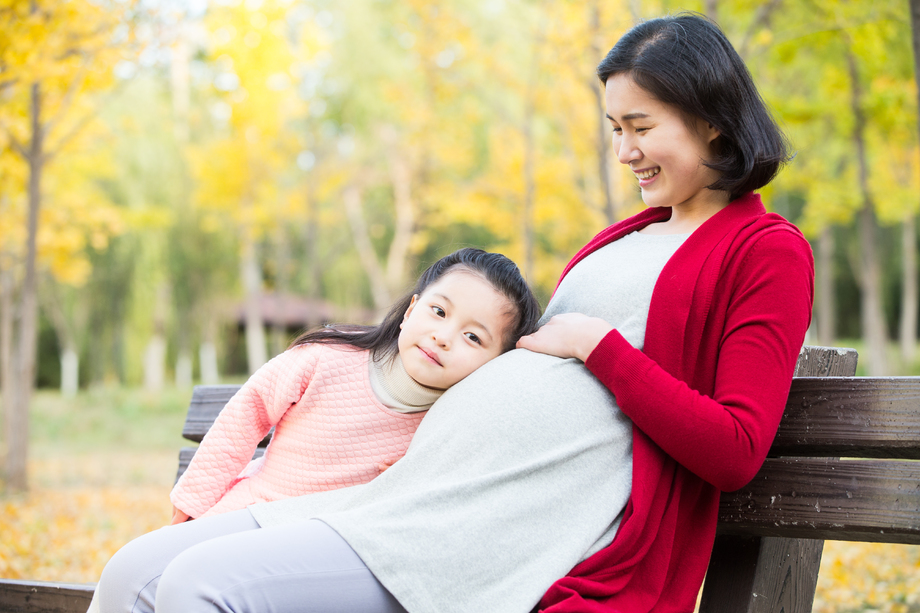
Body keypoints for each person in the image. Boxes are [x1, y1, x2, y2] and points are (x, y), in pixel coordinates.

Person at [91, 13, 813, 613]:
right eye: (613, 127)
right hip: (412, 490)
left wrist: (601, 348)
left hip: (485, 532)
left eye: (639, 126)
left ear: (711, 122)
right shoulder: (627, 236)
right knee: (134, 573)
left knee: (200, 585)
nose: (623, 151)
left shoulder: (766, 250)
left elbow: (735, 448)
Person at [168, 247, 541, 524]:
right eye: (439, 312)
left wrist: (413, 476)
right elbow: (245, 415)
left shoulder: (457, 425)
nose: (443, 337)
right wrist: (192, 502)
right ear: (411, 310)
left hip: (325, 552)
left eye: (473, 337)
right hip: (250, 511)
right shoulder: (326, 358)